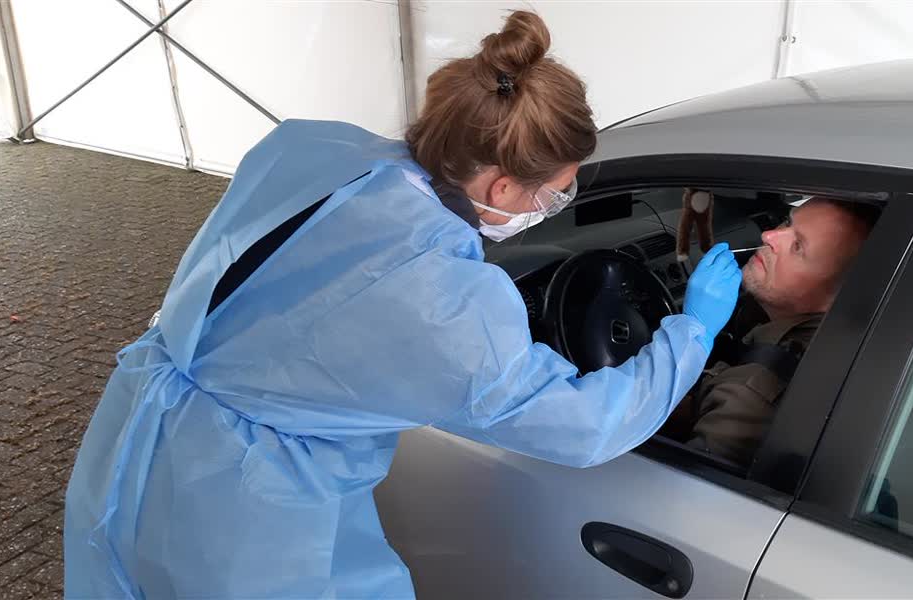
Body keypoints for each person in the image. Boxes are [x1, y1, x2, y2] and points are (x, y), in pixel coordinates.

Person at [63, 12, 742, 599]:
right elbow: (584, 427)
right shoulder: (444, 303)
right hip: (244, 508)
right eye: (556, 192)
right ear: (502, 188)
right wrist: (692, 331)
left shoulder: (314, 148)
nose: (556, 205)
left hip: (140, 428)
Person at [670, 198, 871, 467]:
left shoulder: (753, 391)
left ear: (836, 297)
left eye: (797, 246)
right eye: (787, 222)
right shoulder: (850, 340)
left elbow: (682, 482)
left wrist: (685, 338)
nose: (768, 235)